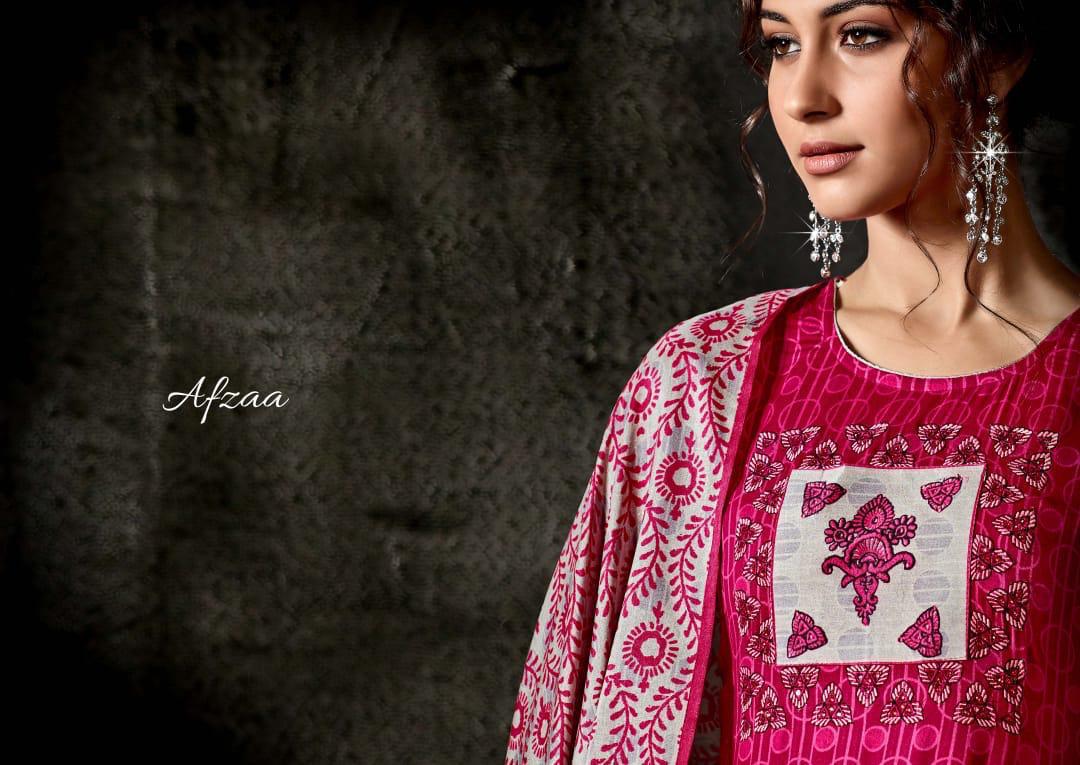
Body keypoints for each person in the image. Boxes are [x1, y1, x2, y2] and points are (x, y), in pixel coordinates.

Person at [504, 1, 1080, 763]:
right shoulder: (701, 379)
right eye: (780, 45)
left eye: (861, 36)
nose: (804, 95)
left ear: (999, 56)